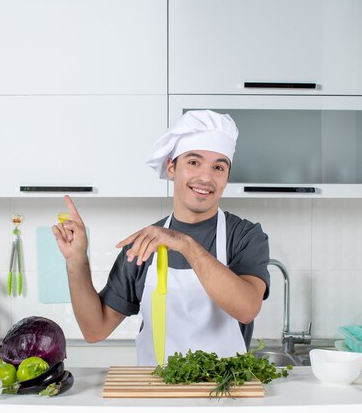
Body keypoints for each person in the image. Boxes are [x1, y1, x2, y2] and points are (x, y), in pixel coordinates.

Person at [53, 110, 270, 366]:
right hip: (156, 393)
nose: (206, 177)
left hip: (225, 397)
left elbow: (247, 309)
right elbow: (94, 329)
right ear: (171, 167)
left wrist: (185, 243)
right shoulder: (144, 245)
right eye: (193, 162)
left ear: (226, 178)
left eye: (218, 167)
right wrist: (77, 261)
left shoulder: (245, 235)